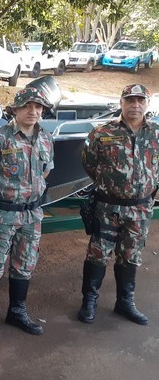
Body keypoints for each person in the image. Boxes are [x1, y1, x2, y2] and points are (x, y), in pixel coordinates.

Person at [0, 86, 54, 341]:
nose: (33, 111)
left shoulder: (46, 138)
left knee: (25, 264)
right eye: (27, 106)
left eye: (38, 107)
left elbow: (46, 170)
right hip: (3, 215)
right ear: (15, 109)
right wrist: (5, 195)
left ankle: (17, 312)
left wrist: (29, 194)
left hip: (32, 215)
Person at [77, 84, 158, 325]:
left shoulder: (155, 133)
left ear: (147, 103)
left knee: (130, 256)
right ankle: (89, 301)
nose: (135, 105)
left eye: (140, 100)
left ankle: (125, 302)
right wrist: (112, 185)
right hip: (108, 207)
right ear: (121, 102)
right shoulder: (102, 133)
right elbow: (89, 164)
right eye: (130, 100)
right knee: (97, 254)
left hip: (140, 209)